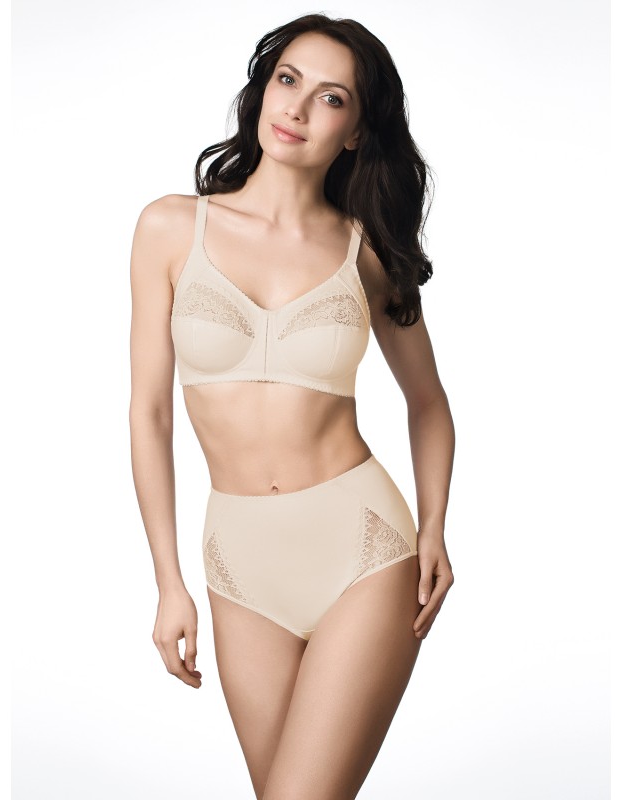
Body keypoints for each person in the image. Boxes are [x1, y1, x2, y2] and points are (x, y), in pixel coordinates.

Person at [129, 13, 455, 800]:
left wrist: (434, 528)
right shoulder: (171, 227)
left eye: (331, 97)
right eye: (288, 80)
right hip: (239, 565)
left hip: (364, 550)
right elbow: (149, 413)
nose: (298, 109)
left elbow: (429, 403)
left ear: (356, 130)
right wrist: (169, 580)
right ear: (263, 88)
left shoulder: (365, 251)